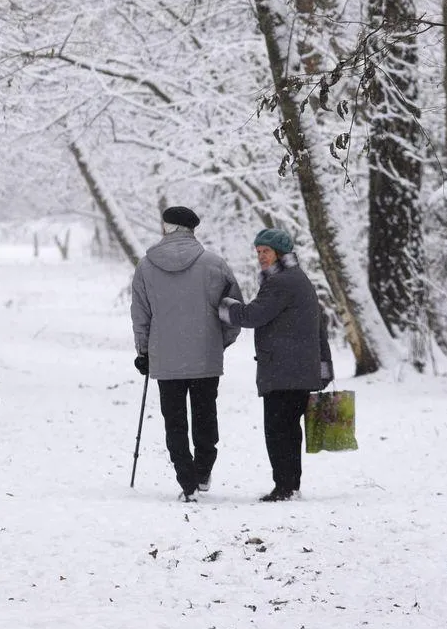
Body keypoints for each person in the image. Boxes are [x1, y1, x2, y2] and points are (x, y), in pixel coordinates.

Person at [131, 206, 243, 502]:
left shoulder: (146, 267)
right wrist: (219, 342)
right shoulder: (215, 264)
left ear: (167, 227)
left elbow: (141, 315)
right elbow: (233, 311)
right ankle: (203, 470)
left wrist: (144, 351)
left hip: (165, 358)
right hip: (205, 355)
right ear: (192, 229)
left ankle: (187, 481)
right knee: (206, 415)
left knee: (175, 421)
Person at [218, 229, 332, 502]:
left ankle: (285, 487)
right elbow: (320, 326)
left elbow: (252, 315)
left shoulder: (281, 282)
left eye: (265, 252)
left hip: (284, 371)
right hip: (298, 370)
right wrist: (324, 368)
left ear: (280, 253)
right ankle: (289, 485)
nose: (260, 257)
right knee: (289, 431)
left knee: (279, 431)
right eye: (258, 252)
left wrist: (222, 305)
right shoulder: (299, 278)